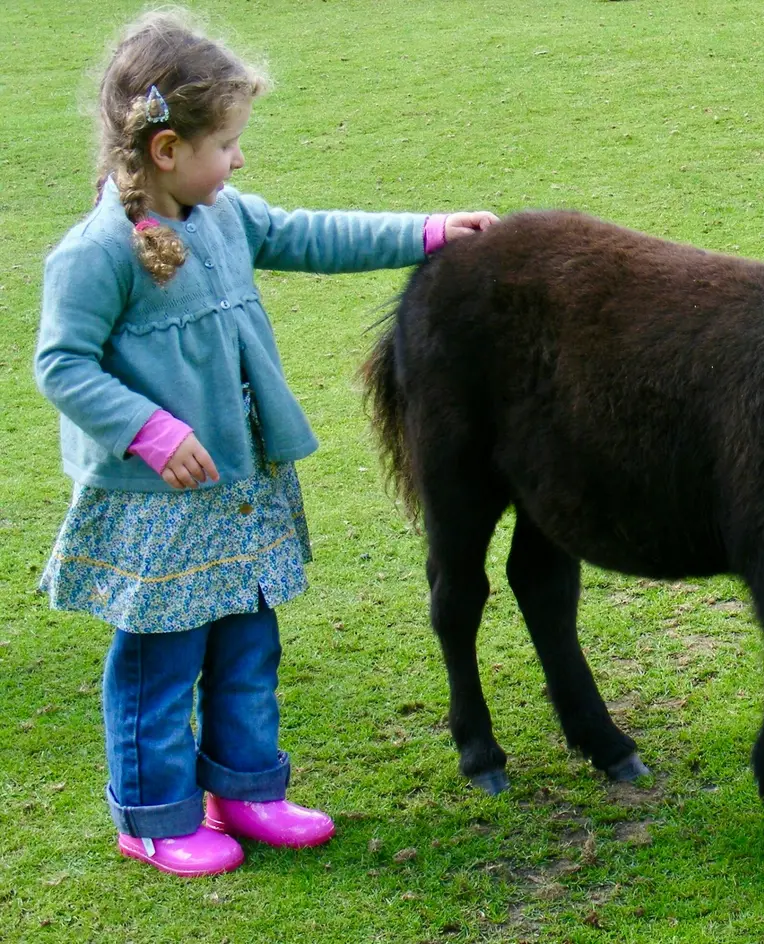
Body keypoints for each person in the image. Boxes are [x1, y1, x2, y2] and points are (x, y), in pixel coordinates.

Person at [33, 9, 498, 877]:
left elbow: (310, 234)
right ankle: (154, 817)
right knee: (161, 664)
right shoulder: (97, 252)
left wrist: (432, 230)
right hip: (159, 506)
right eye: (226, 144)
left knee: (249, 646)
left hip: (239, 486)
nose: (239, 159)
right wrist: (148, 430)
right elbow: (61, 363)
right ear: (166, 149)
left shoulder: (221, 216)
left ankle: (246, 789)